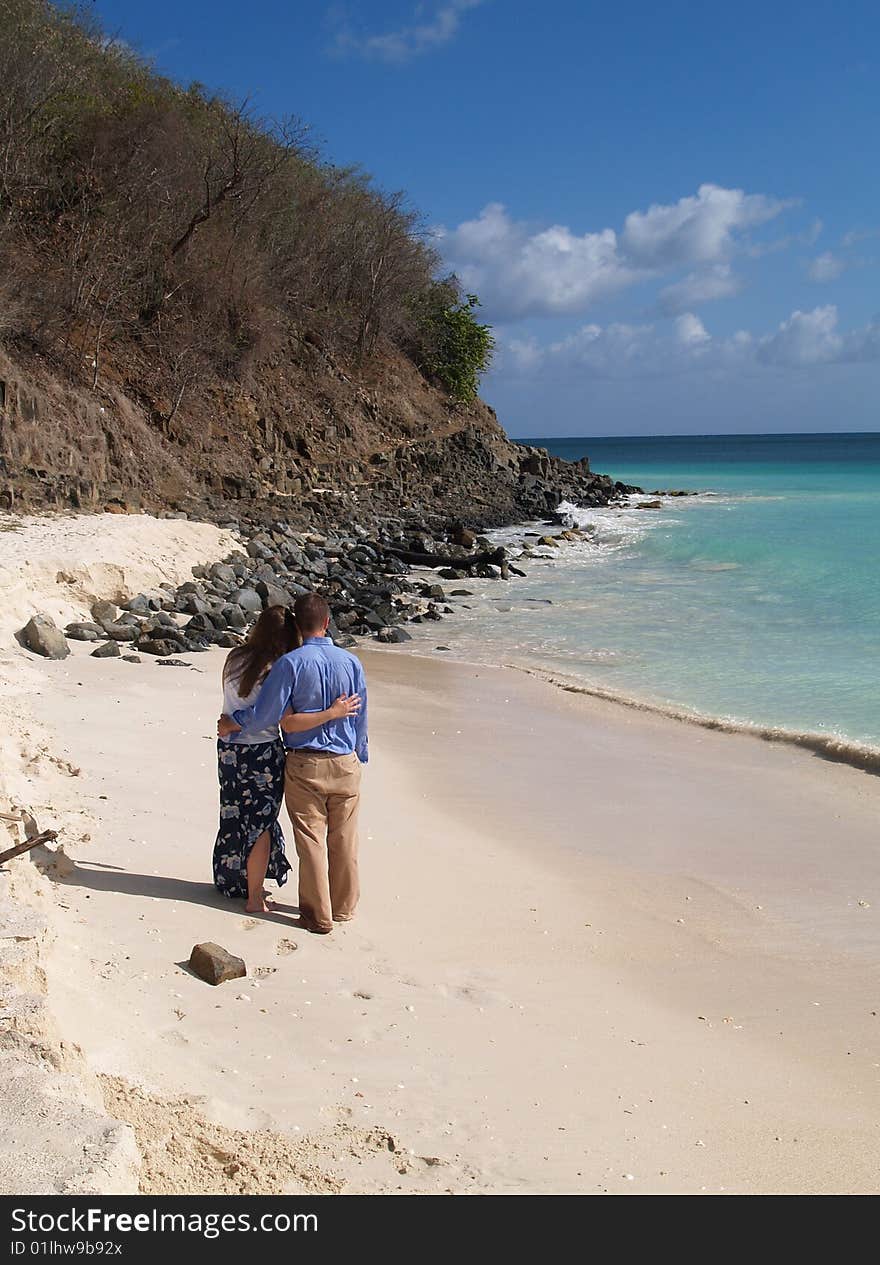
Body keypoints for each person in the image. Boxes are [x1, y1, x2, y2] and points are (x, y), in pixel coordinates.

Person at [218, 593, 368, 934]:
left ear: (299, 626)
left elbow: (266, 716)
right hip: (346, 762)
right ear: (327, 622)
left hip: (305, 763)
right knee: (344, 839)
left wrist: (234, 720)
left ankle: (318, 915)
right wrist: (361, 752)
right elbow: (362, 715)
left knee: (311, 841)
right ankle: (344, 907)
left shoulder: (291, 664)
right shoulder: (352, 662)